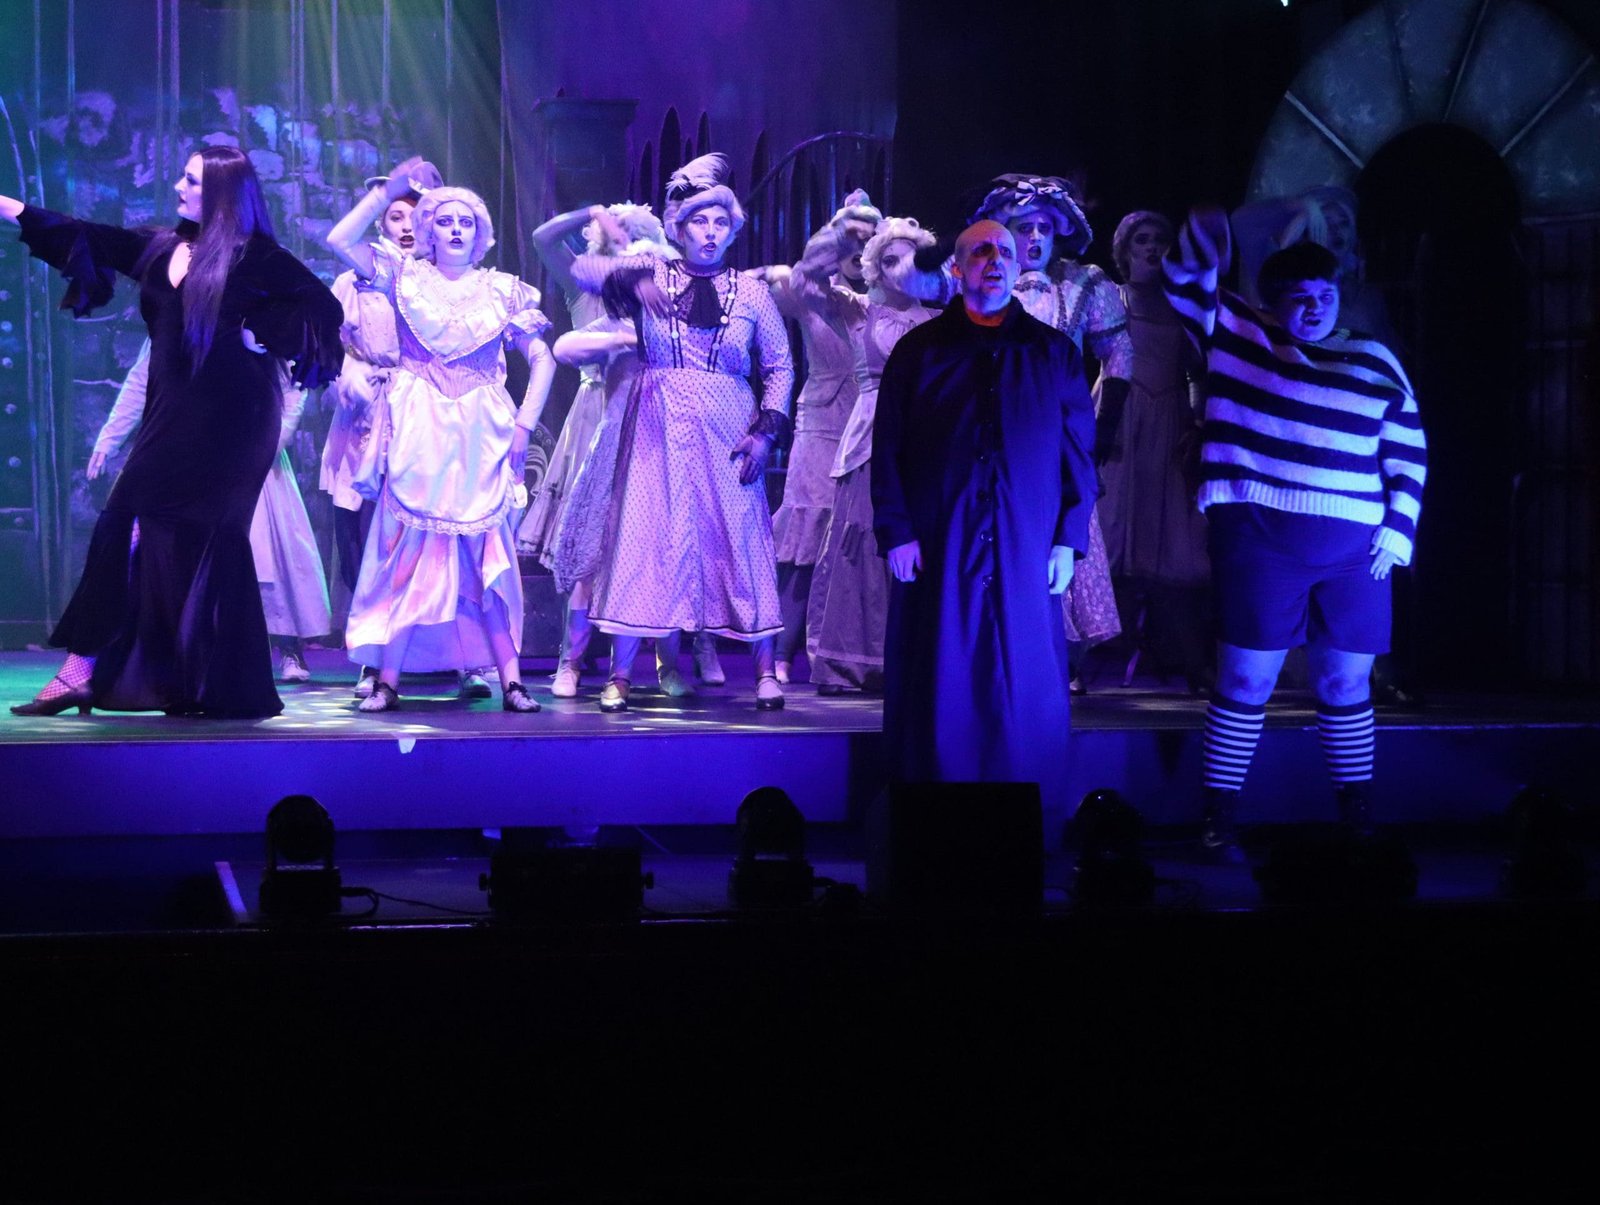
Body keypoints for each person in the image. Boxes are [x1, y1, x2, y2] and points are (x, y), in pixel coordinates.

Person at [4, 145, 343, 718]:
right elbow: (84, 235)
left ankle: (195, 683)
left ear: (223, 195)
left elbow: (322, 310)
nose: (179, 188)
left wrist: (262, 331)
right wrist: (11, 208)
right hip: (172, 413)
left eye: (192, 181)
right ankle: (91, 673)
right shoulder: (160, 247)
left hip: (235, 421)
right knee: (123, 524)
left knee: (209, 537)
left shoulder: (256, 256)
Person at [1162, 207, 1427, 853]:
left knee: (1346, 683)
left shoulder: (1372, 358)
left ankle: (1357, 815)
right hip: (1260, 538)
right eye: (1300, 297)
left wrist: (1399, 528)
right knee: (1246, 681)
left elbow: (1408, 448)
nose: (1315, 308)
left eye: (1325, 296)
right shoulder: (1237, 333)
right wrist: (1207, 229)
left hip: (1356, 551)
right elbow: (1185, 280)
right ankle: (1219, 817)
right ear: (1272, 301)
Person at [872, 220, 1097, 807]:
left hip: (1026, 539)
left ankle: (1026, 810)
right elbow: (888, 446)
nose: (993, 261)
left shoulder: (1053, 354)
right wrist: (897, 530)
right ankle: (937, 807)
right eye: (979, 252)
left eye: (1004, 252)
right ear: (957, 268)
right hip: (940, 538)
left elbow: (1078, 455)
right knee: (941, 665)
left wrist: (1068, 539)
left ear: (1019, 266)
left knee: (1024, 670)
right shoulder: (919, 352)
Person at [567, 152, 796, 711]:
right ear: (680, 228)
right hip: (657, 423)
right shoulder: (656, 271)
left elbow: (780, 366)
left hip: (728, 425)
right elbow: (581, 270)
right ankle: (621, 675)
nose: (710, 232)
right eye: (699, 222)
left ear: (733, 231)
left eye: (720, 223)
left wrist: (765, 433)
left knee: (740, 540)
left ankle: (765, 672)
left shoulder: (751, 293)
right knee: (644, 539)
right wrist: (633, 280)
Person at [326, 162, 556, 713]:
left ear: (480, 233)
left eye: (466, 222)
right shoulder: (404, 277)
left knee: (486, 556)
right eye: (445, 221)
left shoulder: (502, 290)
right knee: (410, 556)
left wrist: (524, 425)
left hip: (481, 433)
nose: (456, 230)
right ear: (428, 229)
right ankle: (387, 680)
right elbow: (339, 240)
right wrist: (389, 190)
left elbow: (543, 359)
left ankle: (511, 680)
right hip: (420, 428)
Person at [959, 175, 1127, 689]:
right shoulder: (988, 279)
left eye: (1044, 229)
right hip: (992, 432)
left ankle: (1063, 656)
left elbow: (1120, 353)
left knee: (1063, 530)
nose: (1034, 238)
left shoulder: (1080, 284)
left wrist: (1105, 422)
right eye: (1023, 227)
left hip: (1055, 434)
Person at [520, 201, 690, 698]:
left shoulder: (664, 288)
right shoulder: (585, 280)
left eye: (635, 234)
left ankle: (666, 663)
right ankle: (570, 661)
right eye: (617, 233)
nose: (624, 240)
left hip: (655, 414)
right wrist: (592, 211)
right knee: (589, 543)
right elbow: (543, 238)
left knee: (657, 545)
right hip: (597, 410)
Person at [90, 341, 332, 683]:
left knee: (265, 552)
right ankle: (198, 652)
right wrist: (110, 438)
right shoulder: (179, 321)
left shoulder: (259, 321)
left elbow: (292, 385)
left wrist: (266, 444)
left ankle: (287, 645)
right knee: (193, 558)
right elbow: (142, 378)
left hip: (252, 453)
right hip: (193, 453)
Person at [805, 217, 937, 694]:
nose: (902, 267)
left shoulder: (939, 320)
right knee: (861, 545)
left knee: (921, 546)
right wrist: (843, 234)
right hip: (871, 437)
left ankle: (915, 660)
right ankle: (852, 664)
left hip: (925, 441)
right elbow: (808, 278)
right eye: (890, 259)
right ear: (875, 269)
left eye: (911, 258)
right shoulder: (859, 310)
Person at [761, 190, 882, 684]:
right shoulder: (816, 293)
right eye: (852, 240)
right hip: (823, 421)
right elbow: (800, 276)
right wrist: (839, 232)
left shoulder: (887, 298)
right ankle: (782, 653)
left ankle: (839, 650)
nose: (859, 248)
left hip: (871, 423)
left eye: (868, 240)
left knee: (853, 540)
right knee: (806, 537)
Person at [1097, 210, 1212, 691]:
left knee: (1168, 536)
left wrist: (1198, 422)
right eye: (1140, 240)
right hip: (1119, 416)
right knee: (1110, 531)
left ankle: (1178, 654)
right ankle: (1097, 653)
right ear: (1124, 252)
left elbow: (1197, 370)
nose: (1150, 248)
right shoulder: (1109, 297)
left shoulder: (1182, 304)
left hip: (1168, 419)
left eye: (1158, 241)